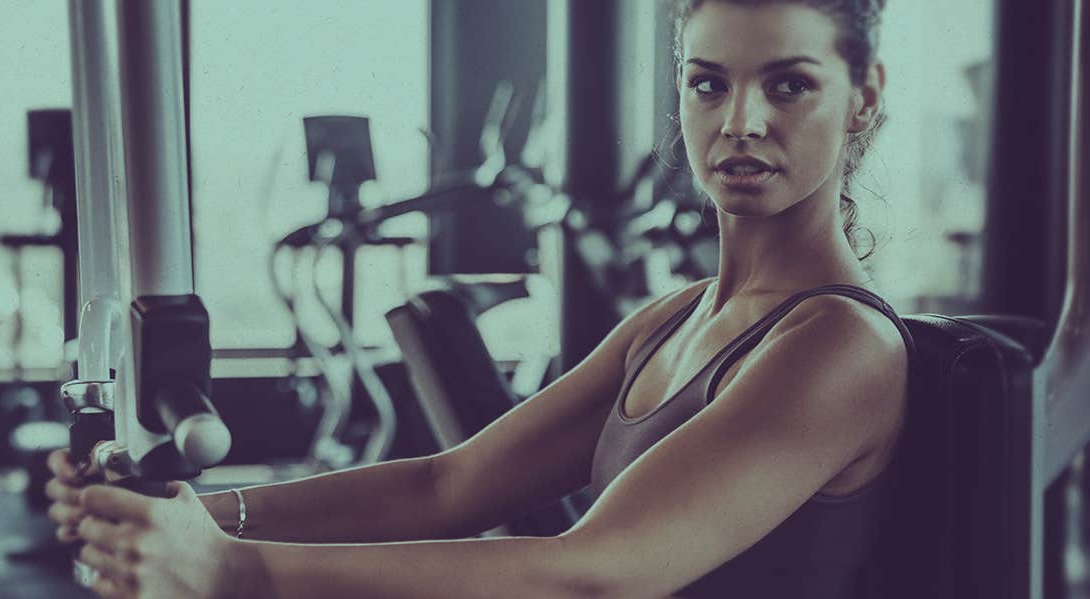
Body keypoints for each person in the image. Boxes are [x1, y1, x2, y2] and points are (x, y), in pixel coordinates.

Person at [45, 0, 913, 596]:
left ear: (863, 99)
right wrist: (198, 516)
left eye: (790, 84)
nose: (740, 122)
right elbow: (445, 485)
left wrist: (235, 572)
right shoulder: (674, 320)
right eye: (708, 82)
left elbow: (597, 571)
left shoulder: (840, 343)